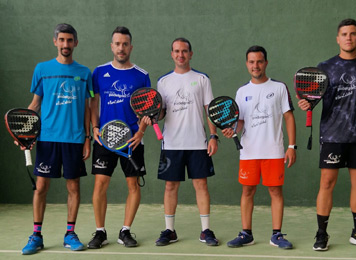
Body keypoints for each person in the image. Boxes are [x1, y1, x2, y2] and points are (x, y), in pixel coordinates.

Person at [298, 19, 356, 251]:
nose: (348, 37)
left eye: (353, 34)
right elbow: (313, 98)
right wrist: (308, 105)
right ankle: (321, 234)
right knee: (327, 183)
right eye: (344, 34)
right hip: (332, 136)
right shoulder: (324, 66)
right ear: (338, 39)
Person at [21, 23, 93, 255]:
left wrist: (88, 137)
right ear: (55, 42)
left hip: (74, 139)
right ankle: (36, 235)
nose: (65, 44)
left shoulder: (84, 73)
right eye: (61, 40)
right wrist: (24, 132)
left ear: (75, 43)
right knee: (41, 186)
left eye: (69, 40)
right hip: (47, 138)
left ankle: (70, 234)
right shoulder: (42, 69)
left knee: (73, 186)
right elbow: (35, 104)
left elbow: (86, 107)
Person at [223, 45, 296, 249]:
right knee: (247, 191)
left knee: (275, 191)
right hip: (248, 152)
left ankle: (277, 235)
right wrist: (232, 129)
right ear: (247, 64)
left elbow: (289, 116)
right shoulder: (241, 92)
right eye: (252, 62)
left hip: (273, 151)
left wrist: (291, 146)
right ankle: (246, 234)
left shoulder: (279, 88)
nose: (256, 65)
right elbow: (240, 121)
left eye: (259, 61)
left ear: (266, 63)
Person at [87, 26, 150, 249]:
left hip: (132, 140)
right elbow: (93, 102)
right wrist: (94, 127)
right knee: (100, 184)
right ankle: (100, 232)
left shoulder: (141, 75)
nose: (121, 48)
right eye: (117, 44)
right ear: (111, 46)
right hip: (105, 139)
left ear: (130, 47)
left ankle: (125, 231)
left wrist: (141, 132)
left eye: (125, 44)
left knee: (133, 185)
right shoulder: (99, 72)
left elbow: (147, 109)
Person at [154, 37, 219, 247]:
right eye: (176, 51)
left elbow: (210, 110)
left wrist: (213, 136)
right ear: (171, 54)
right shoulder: (163, 82)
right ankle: (170, 231)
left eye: (184, 51)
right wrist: (153, 115)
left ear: (191, 54)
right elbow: (161, 112)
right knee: (170, 186)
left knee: (201, 185)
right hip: (171, 144)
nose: (180, 55)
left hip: (198, 143)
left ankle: (206, 230)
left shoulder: (202, 79)